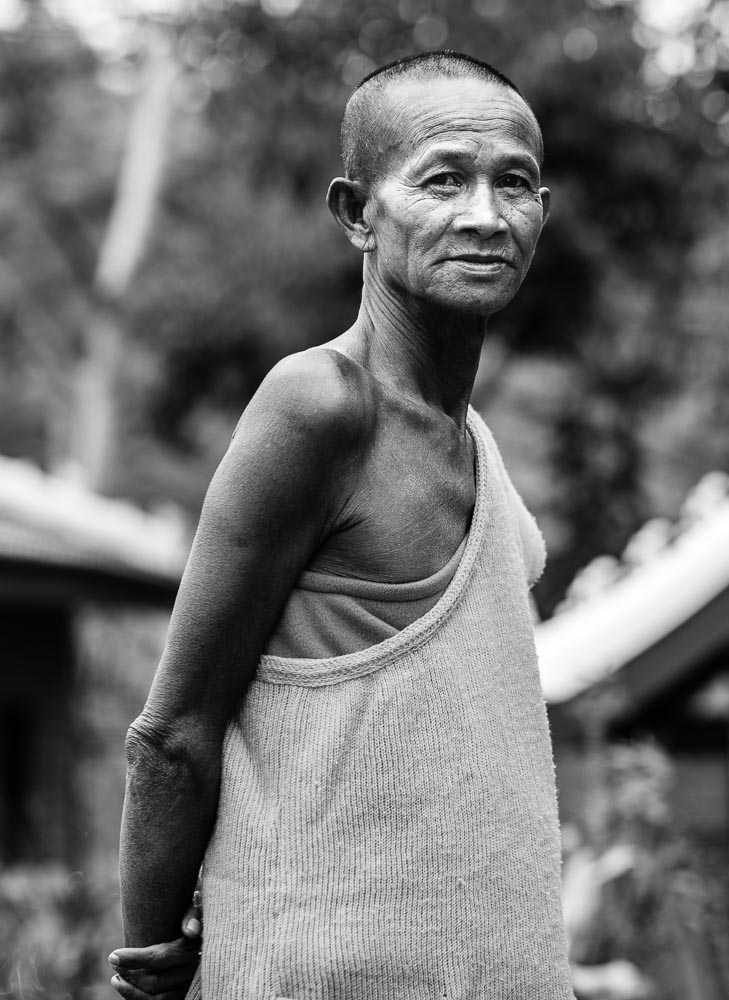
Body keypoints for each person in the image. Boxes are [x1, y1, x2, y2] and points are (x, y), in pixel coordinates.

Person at [108, 50, 573, 1000]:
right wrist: (153, 957)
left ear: (542, 213)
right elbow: (174, 732)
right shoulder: (319, 405)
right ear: (356, 212)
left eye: (513, 184)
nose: (485, 216)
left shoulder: (477, 449)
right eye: (443, 179)